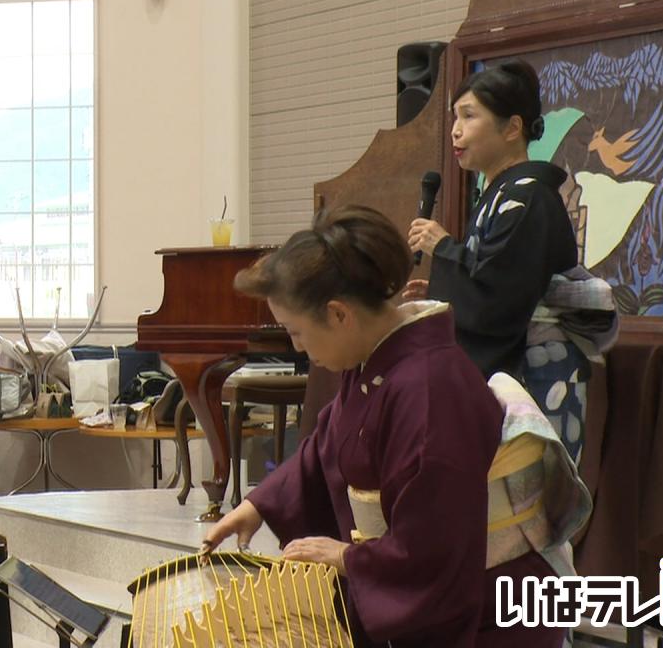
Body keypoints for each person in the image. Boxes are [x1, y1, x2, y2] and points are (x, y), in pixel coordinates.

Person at [204, 206, 565, 648]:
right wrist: (259, 505)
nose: (298, 348)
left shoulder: (430, 389)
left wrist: (347, 556)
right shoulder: (375, 363)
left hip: (486, 608)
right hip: (445, 585)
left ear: (339, 315)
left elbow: (434, 545)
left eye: (296, 332)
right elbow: (327, 446)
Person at [405, 59, 596, 460]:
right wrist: (447, 290)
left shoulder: (527, 197)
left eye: (469, 116)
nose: (456, 130)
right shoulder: (503, 194)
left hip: (538, 370)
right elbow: (491, 277)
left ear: (512, 128)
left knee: (529, 509)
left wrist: (442, 248)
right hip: (519, 362)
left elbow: (501, 297)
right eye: (455, 117)